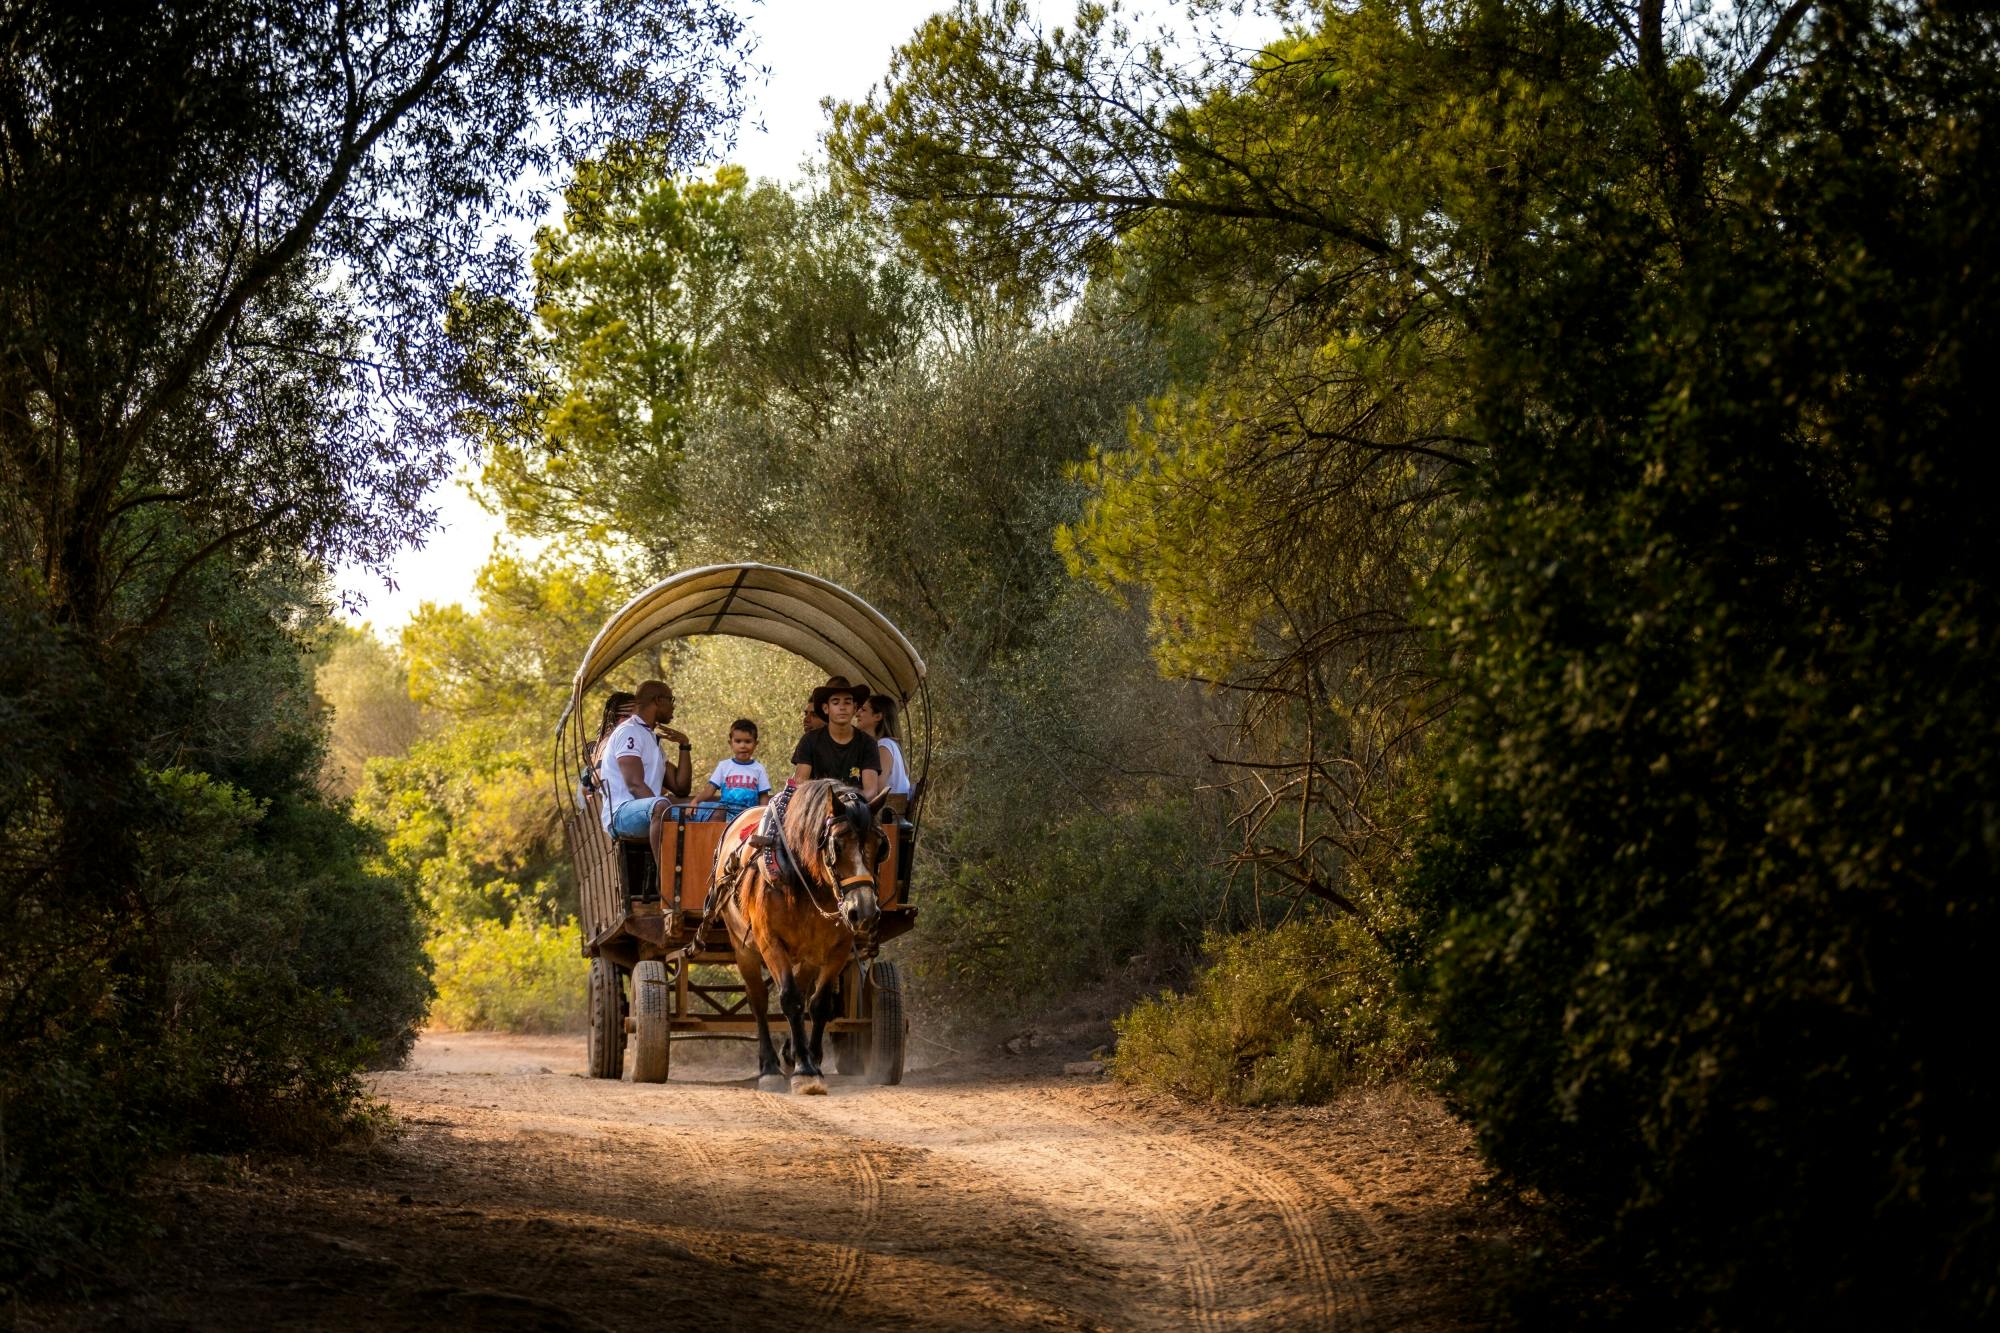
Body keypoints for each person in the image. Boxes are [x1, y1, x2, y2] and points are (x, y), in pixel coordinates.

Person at [598, 680, 692, 872]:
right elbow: (634, 784)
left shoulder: (651, 738)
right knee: (661, 805)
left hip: (652, 809)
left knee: (715, 807)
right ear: (658, 700)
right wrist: (666, 811)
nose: (673, 706)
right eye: (671, 700)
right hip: (622, 814)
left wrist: (684, 745)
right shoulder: (629, 732)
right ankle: (666, 877)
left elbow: (680, 787)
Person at [790, 675, 879, 797]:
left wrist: (849, 802)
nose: (842, 707)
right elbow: (800, 785)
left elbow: (871, 790)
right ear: (826, 708)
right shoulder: (809, 740)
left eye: (847, 702)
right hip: (817, 805)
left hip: (855, 805)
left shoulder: (868, 743)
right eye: (836, 702)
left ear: (855, 708)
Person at [699, 718, 772, 816]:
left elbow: (763, 796)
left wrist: (762, 815)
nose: (743, 746)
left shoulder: (759, 769)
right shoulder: (724, 766)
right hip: (725, 814)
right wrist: (695, 801)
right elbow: (709, 790)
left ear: (755, 744)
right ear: (731, 743)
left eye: (748, 741)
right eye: (738, 741)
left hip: (748, 815)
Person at [857, 692, 912, 814]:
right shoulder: (889, 744)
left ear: (878, 716)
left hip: (886, 816)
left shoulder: (883, 746)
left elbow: (877, 789)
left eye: (863, 710)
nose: (857, 714)